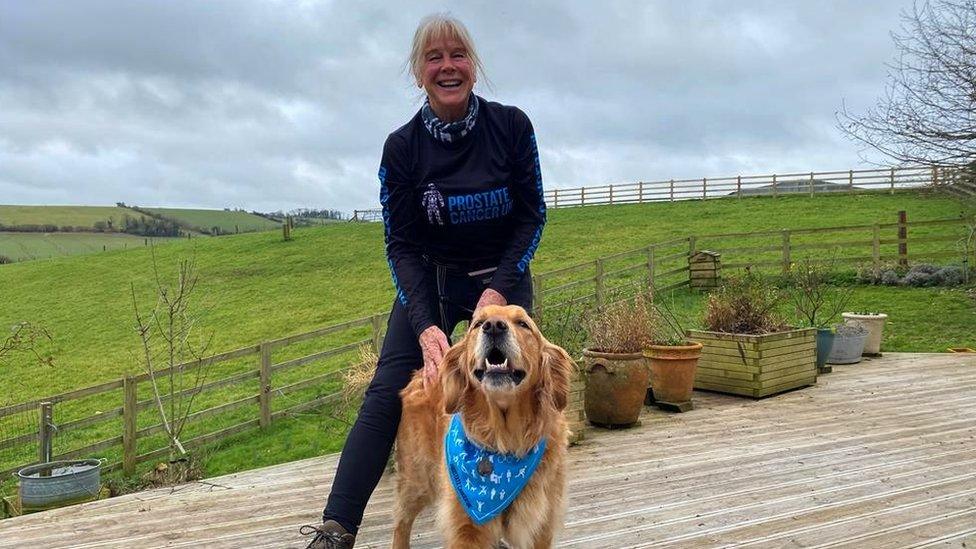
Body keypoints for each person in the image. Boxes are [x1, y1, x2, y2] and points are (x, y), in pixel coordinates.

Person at [302, 13, 546, 549]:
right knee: (388, 392)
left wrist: (499, 290)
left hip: (500, 284)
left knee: (528, 385)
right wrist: (423, 327)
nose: (447, 66)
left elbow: (533, 217)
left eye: (457, 55)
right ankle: (336, 527)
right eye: (433, 58)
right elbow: (401, 245)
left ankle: (521, 512)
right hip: (431, 283)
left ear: (474, 68)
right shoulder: (402, 148)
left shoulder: (512, 127)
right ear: (418, 73)